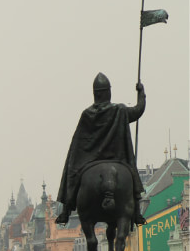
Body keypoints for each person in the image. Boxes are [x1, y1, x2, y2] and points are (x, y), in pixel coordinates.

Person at [56, 74, 147, 226]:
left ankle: (66, 209)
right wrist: (141, 93)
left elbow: (78, 144)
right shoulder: (120, 110)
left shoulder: (87, 114)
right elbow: (138, 110)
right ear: (108, 92)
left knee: (71, 167)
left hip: (89, 160)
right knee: (132, 177)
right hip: (118, 159)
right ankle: (137, 213)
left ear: (95, 93)